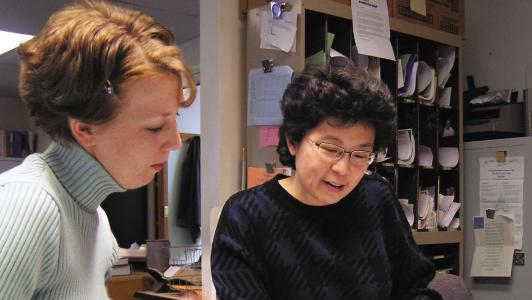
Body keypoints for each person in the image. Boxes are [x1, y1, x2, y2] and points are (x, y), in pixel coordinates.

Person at [0, 1, 196, 299]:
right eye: (155, 126)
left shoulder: (96, 220)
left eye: (174, 119)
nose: (175, 142)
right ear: (86, 129)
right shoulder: (25, 207)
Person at [211, 57, 441, 300]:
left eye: (360, 154)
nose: (343, 169)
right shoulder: (246, 216)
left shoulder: (376, 198)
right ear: (292, 141)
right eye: (331, 149)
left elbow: (415, 289)